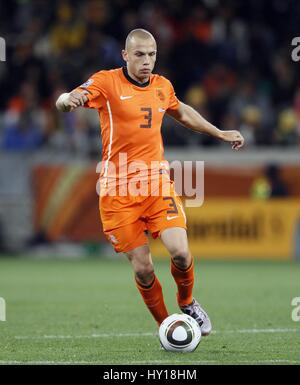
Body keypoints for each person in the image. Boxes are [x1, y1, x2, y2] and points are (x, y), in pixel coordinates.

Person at [56, 29, 244, 335]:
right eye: (140, 54)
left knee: (181, 253)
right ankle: (168, 326)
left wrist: (220, 133)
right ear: (125, 55)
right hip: (117, 191)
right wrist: (69, 99)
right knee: (143, 269)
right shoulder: (106, 82)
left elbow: (182, 112)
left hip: (155, 185)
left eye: (152, 54)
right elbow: (64, 101)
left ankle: (187, 303)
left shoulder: (162, 86)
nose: (147, 61)